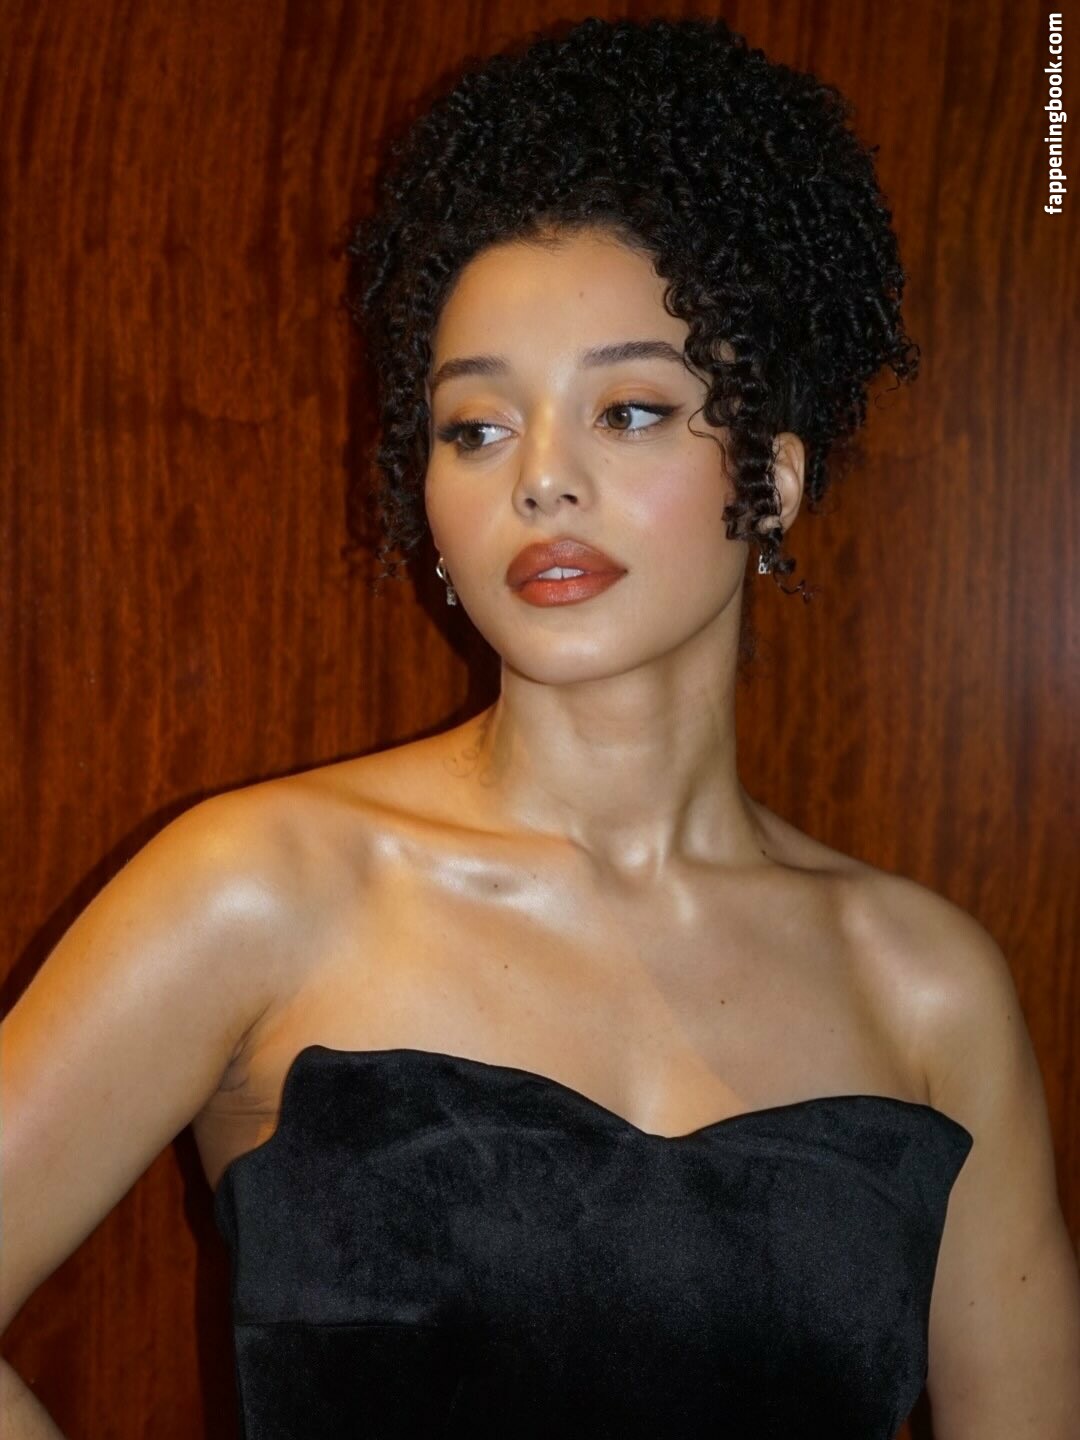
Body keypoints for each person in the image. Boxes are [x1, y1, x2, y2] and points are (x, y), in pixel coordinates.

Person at [3, 14, 1078, 1439]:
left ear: (773, 481)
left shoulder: (927, 990)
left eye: (629, 410)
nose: (543, 481)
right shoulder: (260, 888)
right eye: (477, 427)